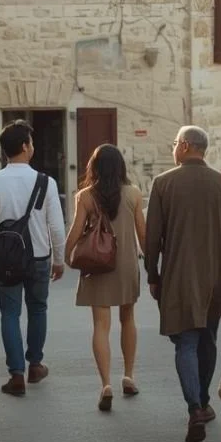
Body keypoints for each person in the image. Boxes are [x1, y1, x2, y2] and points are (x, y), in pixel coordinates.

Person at [145, 125, 221, 442]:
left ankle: (194, 406)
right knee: (207, 339)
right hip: (216, 276)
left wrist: (153, 274)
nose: (173, 148)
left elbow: (153, 238)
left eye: (175, 143)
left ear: (186, 146)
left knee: (186, 343)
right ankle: (204, 401)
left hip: (179, 277)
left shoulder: (164, 184)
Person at [0, 120, 66, 397]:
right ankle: (35, 364)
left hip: (6, 260)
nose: (33, 147)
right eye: (31, 143)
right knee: (38, 309)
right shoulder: (46, 183)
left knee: (9, 314)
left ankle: (16, 375)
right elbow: (57, 227)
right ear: (25, 147)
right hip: (38, 257)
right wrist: (59, 259)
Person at [65, 144, 146, 412]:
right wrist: (154, 263)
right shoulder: (134, 194)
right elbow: (143, 235)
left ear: (94, 167)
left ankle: (106, 384)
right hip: (125, 265)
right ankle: (129, 376)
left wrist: (66, 255)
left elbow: (76, 231)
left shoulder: (86, 196)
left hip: (98, 264)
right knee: (128, 318)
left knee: (101, 325)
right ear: (121, 166)